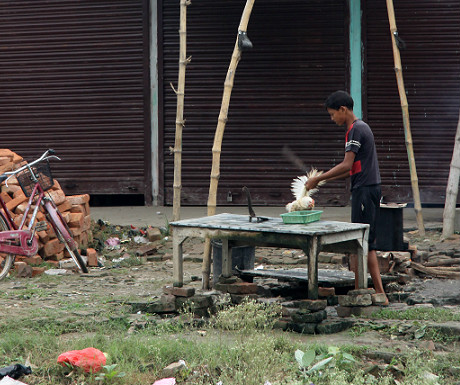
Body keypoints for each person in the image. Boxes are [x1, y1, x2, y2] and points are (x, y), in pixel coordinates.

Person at [305, 90, 389, 305]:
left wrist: (318, 178)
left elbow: (346, 165)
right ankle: (364, 288)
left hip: (365, 190)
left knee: (364, 242)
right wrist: (322, 180)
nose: (332, 119)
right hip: (365, 188)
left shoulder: (356, 130)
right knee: (363, 241)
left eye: (333, 114)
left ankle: (377, 293)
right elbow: (349, 170)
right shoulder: (359, 128)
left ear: (343, 110)